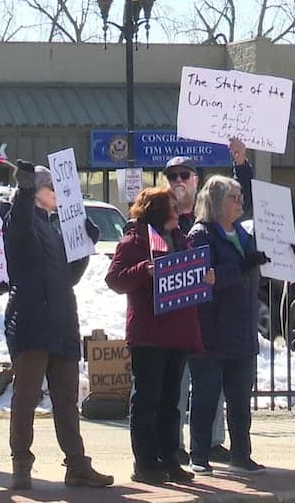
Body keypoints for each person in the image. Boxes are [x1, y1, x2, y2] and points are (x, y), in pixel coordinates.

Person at [3, 160, 112, 490]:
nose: (60, 195)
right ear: (38, 192)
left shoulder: (54, 227)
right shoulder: (20, 219)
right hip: (32, 319)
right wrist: (23, 191)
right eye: (54, 188)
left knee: (66, 399)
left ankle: (76, 464)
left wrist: (84, 245)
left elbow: (71, 277)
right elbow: (19, 227)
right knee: (26, 396)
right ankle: (21, 464)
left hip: (62, 319)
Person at [106, 186, 211, 484]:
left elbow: (191, 273)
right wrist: (144, 270)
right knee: (147, 401)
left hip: (177, 332)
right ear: (158, 211)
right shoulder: (134, 241)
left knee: (170, 403)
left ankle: (170, 459)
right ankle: (146, 463)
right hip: (149, 334)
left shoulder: (181, 240)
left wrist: (205, 276)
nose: (178, 212)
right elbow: (114, 279)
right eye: (173, 207)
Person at [185, 176, 269, 474]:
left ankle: (241, 454)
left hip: (242, 332)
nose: (240, 202)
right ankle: (199, 454)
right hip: (211, 332)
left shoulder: (244, 235)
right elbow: (206, 278)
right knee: (206, 396)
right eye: (234, 197)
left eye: (240, 196)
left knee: (240, 399)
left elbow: (252, 270)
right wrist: (241, 268)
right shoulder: (201, 234)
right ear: (218, 201)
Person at [163, 155, 230, 464]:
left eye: (184, 175)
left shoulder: (209, 220)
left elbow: (241, 208)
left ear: (196, 180)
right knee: (176, 386)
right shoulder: (161, 219)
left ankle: (212, 441)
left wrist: (241, 164)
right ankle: (173, 445)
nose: (178, 180)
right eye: (172, 175)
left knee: (210, 385)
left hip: (208, 317)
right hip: (176, 318)